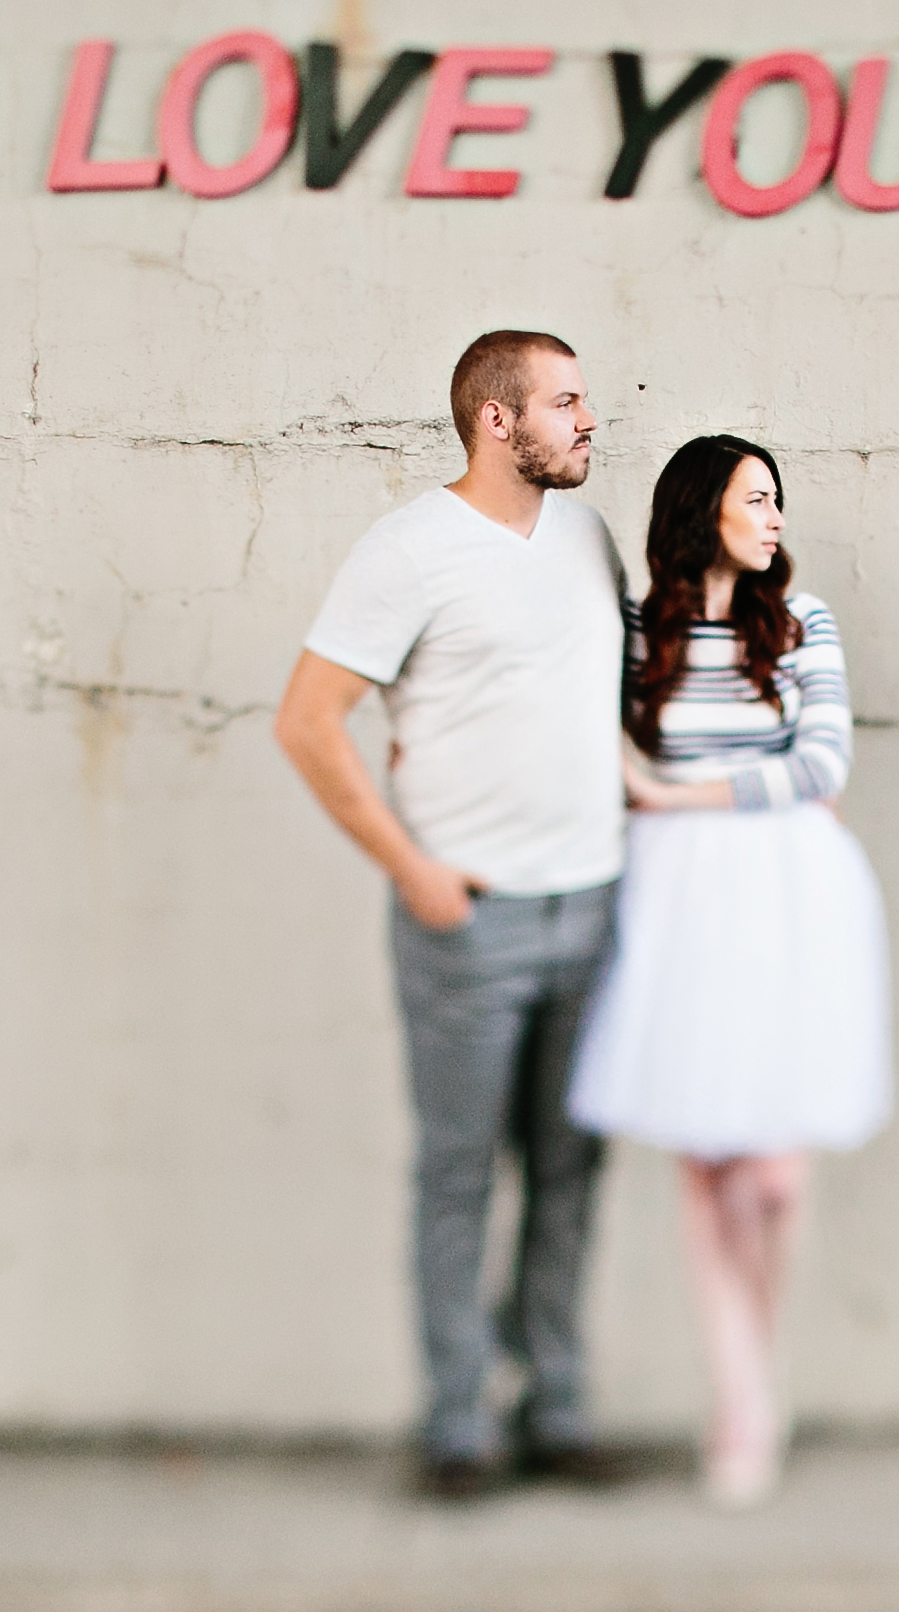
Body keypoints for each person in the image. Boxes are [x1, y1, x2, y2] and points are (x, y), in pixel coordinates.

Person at [272, 329, 641, 1500]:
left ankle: (558, 1406)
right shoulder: (408, 552)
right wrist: (411, 869)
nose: (590, 420)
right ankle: (458, 1424)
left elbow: (594, 706)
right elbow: (308, 721)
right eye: (567, 402)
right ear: (498, 420)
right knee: (458, 1175)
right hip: (467, 924)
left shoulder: (589, 538)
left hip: (592, 906)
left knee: (572, 1171)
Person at [568, 434, 893, 1508]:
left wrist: (676, 794)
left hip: (788, 899)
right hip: (673, 906)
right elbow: (595, 748)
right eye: (758, 499)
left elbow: (823, 765)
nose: (775, 518)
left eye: (778, 501)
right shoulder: (634, 633)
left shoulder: (803, 625)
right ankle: (743, 1397)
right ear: (704, 509)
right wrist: (669, 795)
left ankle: (761, 1361)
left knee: (775, 1172)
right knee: (706, 1169)